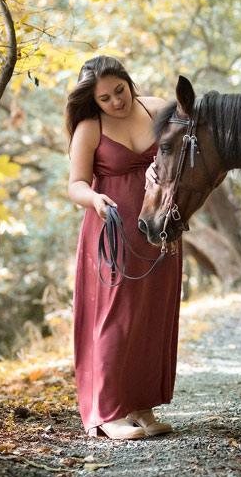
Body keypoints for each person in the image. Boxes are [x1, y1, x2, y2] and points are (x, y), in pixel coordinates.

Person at [65, 55, 182, 439]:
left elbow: (181, 157)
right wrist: (95, 200)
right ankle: (107, 411)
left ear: (129, 82)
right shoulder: (90, 127)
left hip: (157, 227)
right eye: (106, 98)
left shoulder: (157, 108)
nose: (117, 101)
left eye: (120, 90)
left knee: (151, 317)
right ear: (93, 101)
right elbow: (76, 184)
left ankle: (141, 405)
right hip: (111, 231)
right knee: (113, 317)